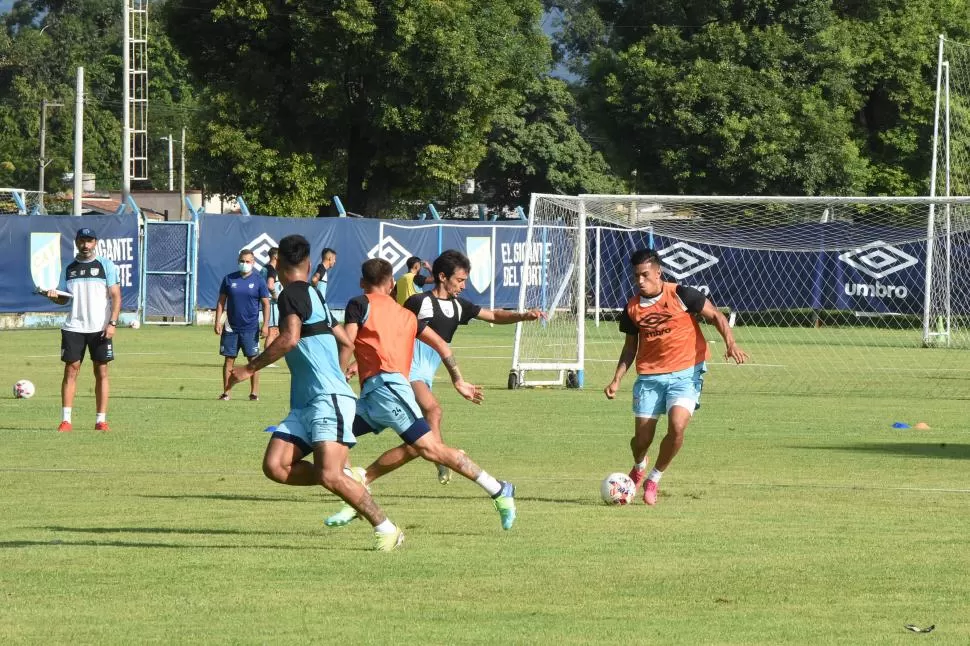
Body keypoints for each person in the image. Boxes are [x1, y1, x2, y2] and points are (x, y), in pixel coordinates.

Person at [228, 234, 404, 551]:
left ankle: (386, 528)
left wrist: (248, 369)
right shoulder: (314, 293)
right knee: (276, 466)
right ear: (309, 264)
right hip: (307, 402)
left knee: (330, 475)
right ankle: (346, 479)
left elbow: (289, 339)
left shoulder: (292, 293)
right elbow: (346, 341)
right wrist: (337, 372)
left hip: (327, 400)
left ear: (277, 263)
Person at [324, 258, 517, 531]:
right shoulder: (407, 315)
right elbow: (440, 345)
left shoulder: (359, 303)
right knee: (332, 431)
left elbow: (347, 341)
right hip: (372, 397)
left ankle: (498, 489)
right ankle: (357, 489)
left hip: (390, 391)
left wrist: (337, 375)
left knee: (430, 447)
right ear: (392, 284)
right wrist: (458, 380)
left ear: (361, 283)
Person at [356, 249, 544, 486]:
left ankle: (363, 476)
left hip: (424, 376)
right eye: (460, 280)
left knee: (416, 446)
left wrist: (523, 316)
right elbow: (389, 330)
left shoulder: (459, 306)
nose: (463, 286)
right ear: (443, 277)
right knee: (433, 410)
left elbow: (494, 315)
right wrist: (360, 360)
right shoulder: (418, 302)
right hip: (406, 371)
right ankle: (443, 458)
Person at [604, 248, 748, 506]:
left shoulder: (682, 294)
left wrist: (731, 343)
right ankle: (639, 466)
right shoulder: (632, 309)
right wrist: (616, 379)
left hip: (686, 372)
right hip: (649, 377)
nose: (640, 281)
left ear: (658, 272)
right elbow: (629, 348)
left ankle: (654, 479)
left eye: (645, 275)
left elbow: (715, 315)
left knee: (678, 426)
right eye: (636, 276)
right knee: (641, 441)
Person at [45, 227, 121, 432]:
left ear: (96, 242)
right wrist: (53, 296)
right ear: (76, 242)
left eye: (89, 241)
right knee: (71, 370)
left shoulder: (106, 265)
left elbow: (116, 296)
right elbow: (63, 299)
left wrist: (112, 323)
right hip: (74, 326)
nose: (85, 245)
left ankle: (101, 420)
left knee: (101, 371)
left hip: (100, 327)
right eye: (82, 240)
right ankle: (66, 420)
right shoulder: (69, 268)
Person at [215, 249, 270, 401]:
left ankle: (254, 393)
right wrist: (217, 321)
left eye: (247, 261)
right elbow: (221, 302)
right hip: (230, 327)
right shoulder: (229, 279)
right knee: (229, 360)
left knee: (253, 361)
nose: (244, 264)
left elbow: (266, 304)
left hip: (251, 328)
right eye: (242, 261)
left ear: (253, 263)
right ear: (238, 261)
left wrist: (265, 325)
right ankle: (226, 392)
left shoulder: (259, 281)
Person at [261, 247, 283, 357]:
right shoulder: (272, 269)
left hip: (266, 302)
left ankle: (270, 355)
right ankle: (266, 357)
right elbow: (270, 285)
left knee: (275, 330)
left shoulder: (264, 268)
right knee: (273, 330)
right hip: (272, 304)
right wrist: (276, 296)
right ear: (275, 256)